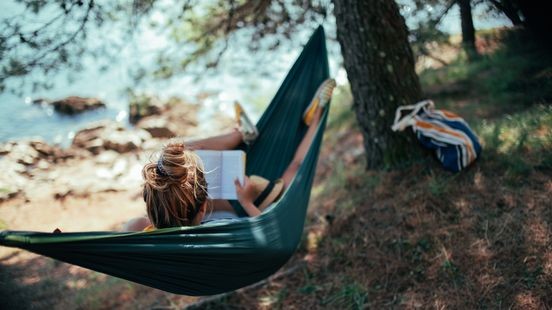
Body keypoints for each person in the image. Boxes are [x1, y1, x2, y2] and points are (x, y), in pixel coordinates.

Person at [124, 78, 336, 231]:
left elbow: (134, 226)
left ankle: (239, 136)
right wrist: (247, 202)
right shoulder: (221, 230)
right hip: (246, 205)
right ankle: (314, 118)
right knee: (295, 167)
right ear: (203, 208)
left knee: (183, 154)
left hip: (198, 208)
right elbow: (270, 233)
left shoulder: (152, 226)